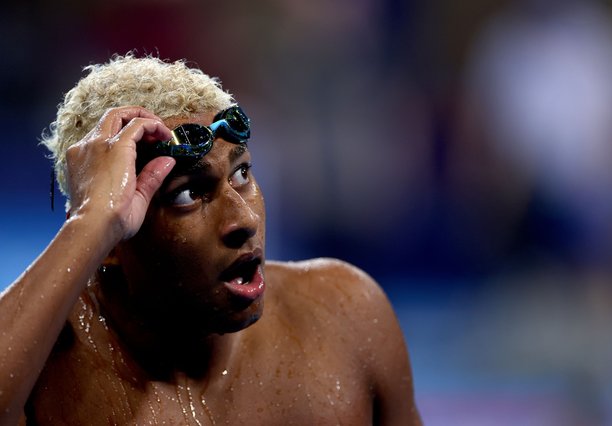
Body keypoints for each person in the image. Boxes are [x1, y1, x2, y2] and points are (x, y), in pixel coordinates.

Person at [0, 54, 421, 425]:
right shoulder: (41, 375)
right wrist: (90, 221)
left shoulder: (344, 319)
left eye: (242, 174)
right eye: (187, 194)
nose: (243, 219)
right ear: (112, 241)